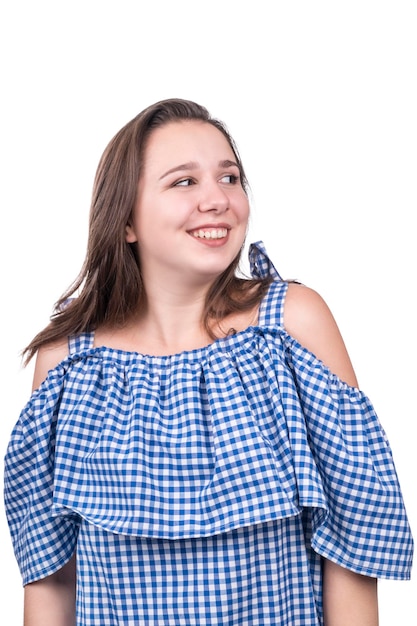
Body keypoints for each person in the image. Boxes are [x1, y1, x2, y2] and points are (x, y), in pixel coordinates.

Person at [4, 98, 413, 626]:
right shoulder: (68, 363)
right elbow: (51, 575)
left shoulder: (291, 324)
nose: (218, 199)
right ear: (126, 219)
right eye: (183, 182)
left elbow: (354, 543)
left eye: (230, 177)